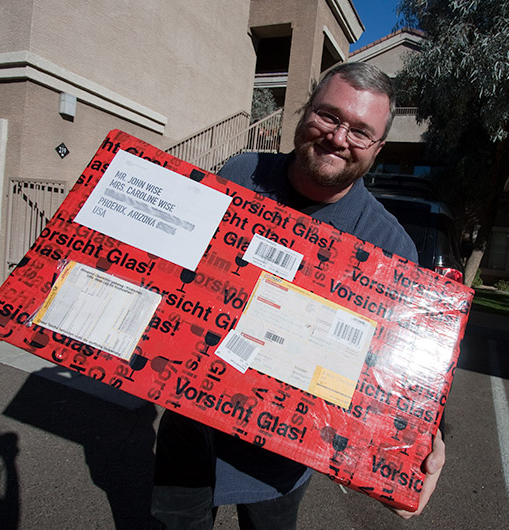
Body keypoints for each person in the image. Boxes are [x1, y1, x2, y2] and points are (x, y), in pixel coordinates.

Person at [150, 62, 445, 529]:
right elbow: (179, 265)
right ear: (305, 111)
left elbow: (402, 369)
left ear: (379, 148)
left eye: (361, 131)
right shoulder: (241, 171)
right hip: (190, 423)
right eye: (328, 115)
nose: (338, 137)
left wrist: (423, 436)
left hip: (280, 452)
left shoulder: (389, 248)